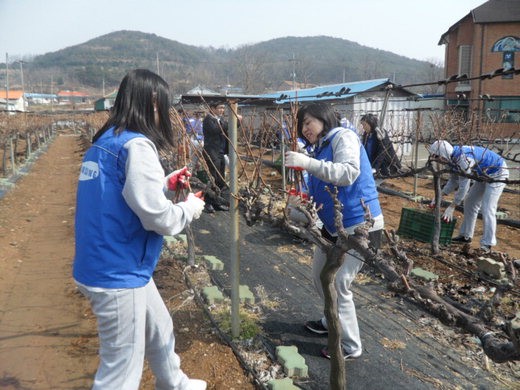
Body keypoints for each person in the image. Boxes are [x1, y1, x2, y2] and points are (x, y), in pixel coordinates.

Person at [73, 69, 207, 390]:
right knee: (120, 372)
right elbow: (157, 218)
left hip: (103, 262)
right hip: (119, 272)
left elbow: (124, 194)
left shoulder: (106, 142)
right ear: (152, 103)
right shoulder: (137, 146)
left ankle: (174, 383)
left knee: (160, 327)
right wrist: (189, 209)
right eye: (163, 104)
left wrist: (164, 183)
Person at [284, 102, 384, 360]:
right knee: (319, 276)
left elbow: (349, 173)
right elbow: (318, 193)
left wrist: (307, 163)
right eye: (302, 125)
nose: (305, 129)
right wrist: (298, 204)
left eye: (308, 122)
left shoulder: (344, 136)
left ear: (324, 118)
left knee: (339, 283)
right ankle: (331, 321)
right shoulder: (318, 150)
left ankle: (350, 345)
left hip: (360, 225)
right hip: (333, 227)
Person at [428, 140, 509, 252]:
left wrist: (452, 206)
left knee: (487, 207)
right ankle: (466, 236)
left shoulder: (463, 160)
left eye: (437, 156)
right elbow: (453, 180)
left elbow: (464, 187)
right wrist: (440, 196)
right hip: (482, 175)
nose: (436, 159)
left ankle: (487, 243)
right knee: (470, 202)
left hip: (498, 172)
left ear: (443, 154)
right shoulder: (452, 158)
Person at [202, 102, 231, 213]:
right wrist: (231, 122)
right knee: (213, 178)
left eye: (223, 108)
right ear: (212, 108)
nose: (222, 110)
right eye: (220, 107)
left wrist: (237, 122)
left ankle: (217, 202)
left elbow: (226, 127)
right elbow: (216, 130)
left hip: (220, 152)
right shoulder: (208, 120)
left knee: (220, 179)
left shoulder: (221, 120)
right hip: (212, 152)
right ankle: (208, 203)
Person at [359, 113, 402, 180]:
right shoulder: (366, 134)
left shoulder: (380, 133)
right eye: (362, 125)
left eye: (365, 125)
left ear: (371, 123)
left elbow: (382, 152)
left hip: (385, 166)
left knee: (375, 184)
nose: (363, 127)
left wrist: (375, 168)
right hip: (372, 166)